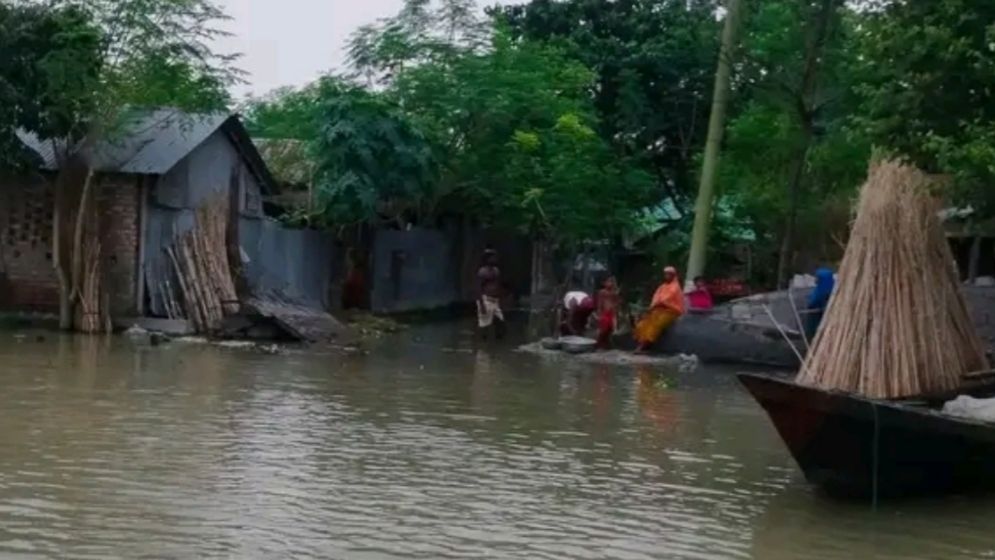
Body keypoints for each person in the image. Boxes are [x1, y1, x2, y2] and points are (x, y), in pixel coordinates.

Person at [633, 266, 686, 352]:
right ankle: (642, 343)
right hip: (658, 310)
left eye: (669, 274)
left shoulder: (675, 287)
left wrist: (655, 306)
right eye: (666, 274)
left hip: (671, 311)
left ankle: (643, 346)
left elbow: (665, 299)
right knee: (644, 322)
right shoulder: (662, 287)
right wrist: (652, 307)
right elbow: (656, 298)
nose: (667, 276)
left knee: (656, 324)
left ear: (673, 276)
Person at [477, 249, 505, 339]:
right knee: (484, 325)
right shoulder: (482, 271)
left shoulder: (496, 271)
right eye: (492, 257)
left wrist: (501, 301)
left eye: (495, 257)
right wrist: (482, 304)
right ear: (487, 259)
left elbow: (498, 285)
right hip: (486, 300)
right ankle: (482, 347)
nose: (495, 259)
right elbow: (479, 288)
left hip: (495, 301)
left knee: (500, 322)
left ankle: (496, 348)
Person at [806, 267, 835, 339]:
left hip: (815, 317)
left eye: (817, 277)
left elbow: (813, 302)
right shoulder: (831, 289)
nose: (815, 279)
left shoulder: (821, 291)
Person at [596, 276, 620, 349]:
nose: (610, 283)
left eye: (612, 282)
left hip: (612, 312)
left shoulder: (614, 292)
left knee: (610, 329)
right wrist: (599, 313)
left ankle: (605, 344)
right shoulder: (602, 292)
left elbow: (616, 302)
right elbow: (599, 303)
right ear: (605, 283)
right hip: (604, 312)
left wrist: (616, 311)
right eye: (608, 282)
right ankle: (598, 344)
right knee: (603, 329)